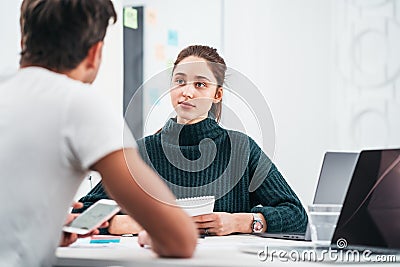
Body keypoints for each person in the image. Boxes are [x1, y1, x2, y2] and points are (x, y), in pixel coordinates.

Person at [0, 1, 197, 266]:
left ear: (24, 36)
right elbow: (180, 239)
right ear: (95, 53)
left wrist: (42, 231)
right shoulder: (79, 103)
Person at [76, 45, 308, 237]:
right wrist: (139, 223)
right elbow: (84, 215)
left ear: (217, 94)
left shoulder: (241, 148)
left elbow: (296, 215)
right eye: (180, 81)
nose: (187, 92)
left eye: (200, 84)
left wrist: (239, 222)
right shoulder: (142, 151)